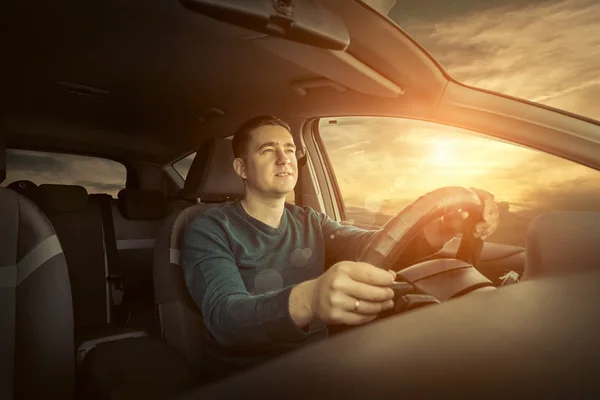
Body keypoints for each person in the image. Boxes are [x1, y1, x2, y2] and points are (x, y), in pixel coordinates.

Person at [180, 115, 500, 380]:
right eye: (267, 150)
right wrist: (309, 300)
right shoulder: (209, 229)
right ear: (241, 169)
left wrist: (438, 230)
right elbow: (226, 317)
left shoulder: (310, 220)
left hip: (322, 362)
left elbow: (371, 245)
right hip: (252, 379)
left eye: (290, 149)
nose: (285, 159)